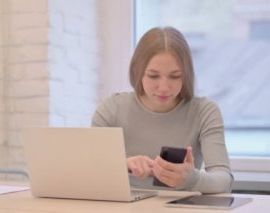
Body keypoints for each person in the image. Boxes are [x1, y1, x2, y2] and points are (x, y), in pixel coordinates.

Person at [91, 26, 233, 193]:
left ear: (186, 74)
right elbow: (91, 168)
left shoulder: (204, 111)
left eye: (175, 76)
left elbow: (224, 180)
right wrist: (122, 164)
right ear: (137, 72)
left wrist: (192, 179)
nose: (164, 87)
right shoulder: (111, 109)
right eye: (153, 76)